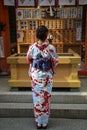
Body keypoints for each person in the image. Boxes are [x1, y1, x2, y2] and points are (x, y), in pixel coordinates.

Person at [26, 25, 58, 129]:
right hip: (47, 77)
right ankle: (44, 122)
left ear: (37, 35)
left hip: (36, 76)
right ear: (46, 35)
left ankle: (38, 122)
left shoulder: (32, 47)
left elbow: (28, 59)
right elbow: (55, 61)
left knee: (37, 98)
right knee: (46, 98)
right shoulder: (51, 48)